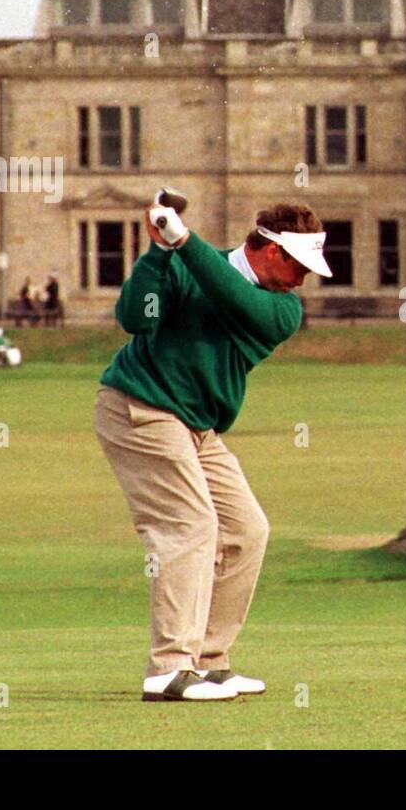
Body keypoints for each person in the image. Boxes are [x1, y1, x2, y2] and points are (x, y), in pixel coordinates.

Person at [94, 190, 331, 703]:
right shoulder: (185, 264)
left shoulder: (281, 310)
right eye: (299, 266)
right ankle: (169, 669)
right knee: (190, 526)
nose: (303, 279)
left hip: (198, 427)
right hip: (139, 408)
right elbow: (136, 317)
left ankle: (209, 660)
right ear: (271, 250)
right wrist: (159, 251)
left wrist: (183, 241)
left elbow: (234, 298)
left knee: (247, 529)